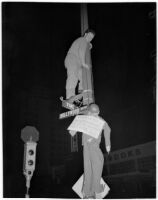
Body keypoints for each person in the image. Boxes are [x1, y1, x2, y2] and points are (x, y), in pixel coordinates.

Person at [69, 104, 111, 199]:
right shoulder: (86, 118)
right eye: (93, 114)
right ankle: (87, 191)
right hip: (86, 147)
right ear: (89, 112)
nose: (95, 116)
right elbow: (78, 123)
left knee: (97, 166)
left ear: (98, 113)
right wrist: (73, 131)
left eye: (96, 114)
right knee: (88, 169)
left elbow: (107, 129)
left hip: (94, 146)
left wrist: (108, 145)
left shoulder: (100, 121)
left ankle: (96, 190)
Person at [64, 29, 95, 103]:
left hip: (77, 62)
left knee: (82, 74)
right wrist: (84, 63)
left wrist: (89, 44)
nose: (90, 38)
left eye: (91, 38)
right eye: (89, 36)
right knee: (73, 76)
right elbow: (81, 51)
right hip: (72, 58)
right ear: (85, 34)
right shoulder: (82, 40)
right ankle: (69, 96)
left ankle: (81, 90)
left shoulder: (85, 42)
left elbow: (85, 47)